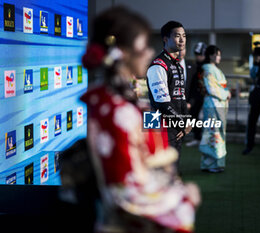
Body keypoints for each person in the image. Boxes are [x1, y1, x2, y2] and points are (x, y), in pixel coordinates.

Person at [81, 7, 200, 232]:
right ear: (123, 53)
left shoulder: (112, 102)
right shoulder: (118, 112)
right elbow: (127, 193)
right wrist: (183, 200)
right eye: (144, 46)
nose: (148, 53)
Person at [147, 21, 191, 161]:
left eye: (184, 35)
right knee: (164, 169)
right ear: (165, 39)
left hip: (176, 125)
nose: (182, 39)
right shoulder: (158, 65)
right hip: (161, 126)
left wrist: (186, 120)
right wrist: (183, 123)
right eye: (177, 36)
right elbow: (162, 104)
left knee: (174, 167)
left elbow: (181, 96)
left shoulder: (177, 64)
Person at [199, 45, 231, 173]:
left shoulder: (211, 69)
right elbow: (212, 88)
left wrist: (225, 93)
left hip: (216, 103)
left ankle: (214, 163)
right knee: (213, 132)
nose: (219, 57)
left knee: (215, 132)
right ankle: (211, 163)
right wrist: (225, 93)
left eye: (219, 54)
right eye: (216, 54)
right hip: (213, 103)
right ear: (210, 55)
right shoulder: (208, 69)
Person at [185, 42, 207, 147]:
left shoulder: (206, 66)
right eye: (197, 55)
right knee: (193, 116)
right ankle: (197, 137)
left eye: (200, 55)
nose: (198, 57)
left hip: (204, 96)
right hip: (196, 95)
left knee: (203, 117)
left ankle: (201, 138)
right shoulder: (196, 65)